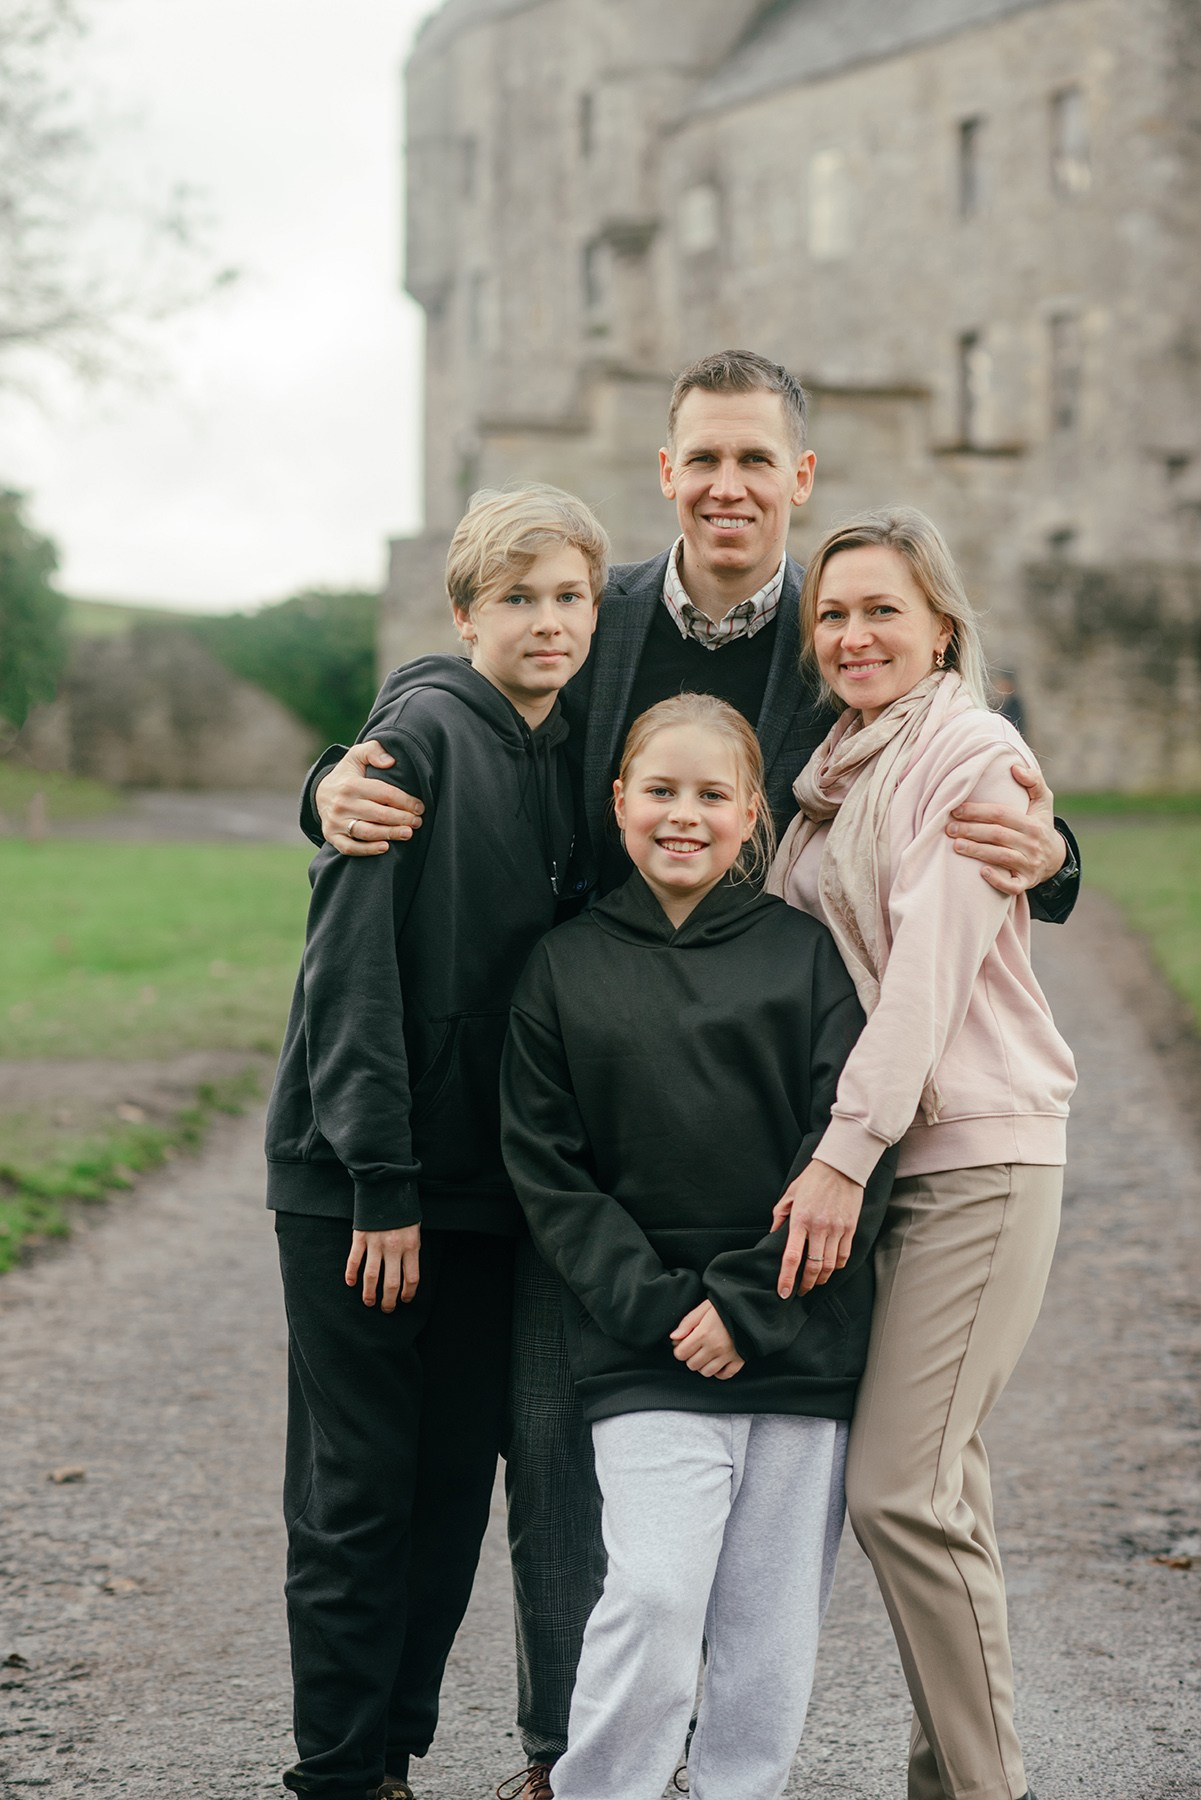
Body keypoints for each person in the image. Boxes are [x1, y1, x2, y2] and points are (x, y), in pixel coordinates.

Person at [263, 485, 607, 1800]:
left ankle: (392, 1751)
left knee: (453, 1484)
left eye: (568, 595)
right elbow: (347, 981)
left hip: (482, 1194)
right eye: (517, 597)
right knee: (360, 1491)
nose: (547, 620)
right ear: (466, 614)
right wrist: (379, 1185)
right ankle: (342, 1772)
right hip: (365, 1189)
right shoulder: (409, 745)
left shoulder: (563, 754)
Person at [500, 694, 895, 1800]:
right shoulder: (561, 968)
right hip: (646, 1341)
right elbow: (550, 1172)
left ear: (752, 815)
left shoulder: (806, 961)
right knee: (660, 1594)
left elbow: (848, 1148)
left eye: (712, 795)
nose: (685, 815)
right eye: (660, 792)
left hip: (794, 1335)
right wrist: (671, 1311)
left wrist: (749, 1306)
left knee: (767, 1629)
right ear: (619, 802)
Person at [769, 508, 1077, 1800]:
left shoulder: (965, 749)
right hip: (913, 1160)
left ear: (940, 624)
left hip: (976, 1158)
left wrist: (842, 1154)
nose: (853, 634)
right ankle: (946, 1778)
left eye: (881, 608)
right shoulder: (840, 765)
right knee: (937, 1487)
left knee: (898, 1492)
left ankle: (986, 1786)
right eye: (833, 614)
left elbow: (925, 981)